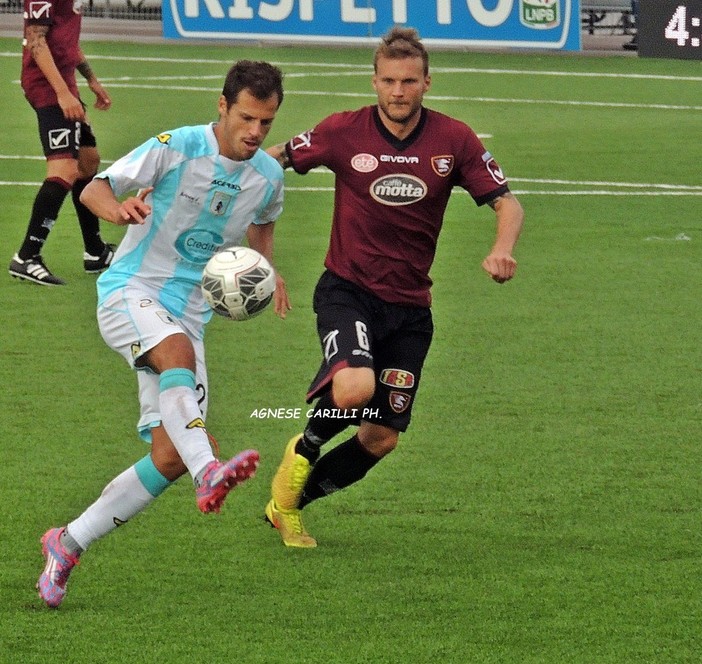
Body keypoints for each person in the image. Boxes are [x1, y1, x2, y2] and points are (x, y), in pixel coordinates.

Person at [36, 60, 290, 607]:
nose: (254, 132)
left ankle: (67, 542)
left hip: (189, 312)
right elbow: (94, 190)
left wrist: (266, 272)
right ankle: (209, 473)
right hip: (130, 290)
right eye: (247, 118)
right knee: (176, 362)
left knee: (168, 455)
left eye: (266, 123)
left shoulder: (268, 175)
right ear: (222, 106)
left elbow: (263, 220)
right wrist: (119, 209)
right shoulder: (176, 146)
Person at [264, 27, 524, 548]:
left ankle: (288, 504)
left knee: (380, 438)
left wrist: (503, 247)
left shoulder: (455, 140)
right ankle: (307, 444)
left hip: (409, 309)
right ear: (374, 81)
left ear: (427, 82)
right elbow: (273, 159)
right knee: (356, 389)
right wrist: (216, 182)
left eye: (408, 81)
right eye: (388, 81)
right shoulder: (341, 131)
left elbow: (507, 203)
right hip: (347, 290)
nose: (398, 92)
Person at [9, 0, 116, 286]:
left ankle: (96, 251)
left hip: (64, 83)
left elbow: (65, 43)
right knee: (64, 169)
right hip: (46, 87)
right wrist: (62, 94)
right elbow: (36, 41)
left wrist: (90, 79)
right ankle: (26, 256)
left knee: (88, 161)